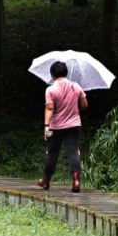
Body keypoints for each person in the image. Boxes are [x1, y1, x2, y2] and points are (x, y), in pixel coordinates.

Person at [38, 61, 88, 193]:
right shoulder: (76, 86)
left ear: (52, 75)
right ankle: (76, 181)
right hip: (74, 125)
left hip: (55, 128)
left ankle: (46, 181)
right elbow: (84, 105)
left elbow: (49, 108)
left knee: (52, 152)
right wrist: (73, 108)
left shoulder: (50, 89)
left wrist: (46, 126)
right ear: (65, 73)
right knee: (73, 151)